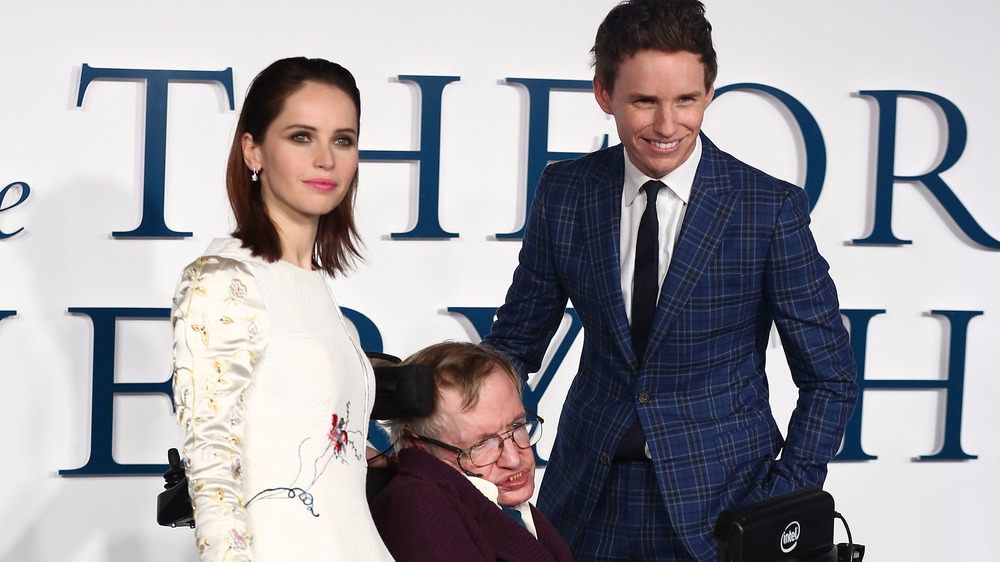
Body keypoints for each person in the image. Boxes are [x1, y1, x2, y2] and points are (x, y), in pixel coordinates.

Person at [483, 1, 859, 560]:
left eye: (686, 99)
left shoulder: (766, 207)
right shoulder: (565, 191)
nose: (667, 125)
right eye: (644, 101)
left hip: (726, 510)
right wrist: (454, 425)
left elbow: (831, 378)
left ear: (709, 93)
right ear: (604, 95)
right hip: (585, 496)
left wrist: (782, 497)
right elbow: (514, 344)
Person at [171, 57, 394, 561]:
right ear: (253, 150)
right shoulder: (224, 279)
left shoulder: (313, 286)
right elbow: (211, 475)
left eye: (343, 139)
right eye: (300, 137)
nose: (326, 159)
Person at [370, 342, 574, 562]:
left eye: (517, 426)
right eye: (481, 444)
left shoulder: (500, 507)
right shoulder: (419, 508)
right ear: (415, 445)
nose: (514, 460)